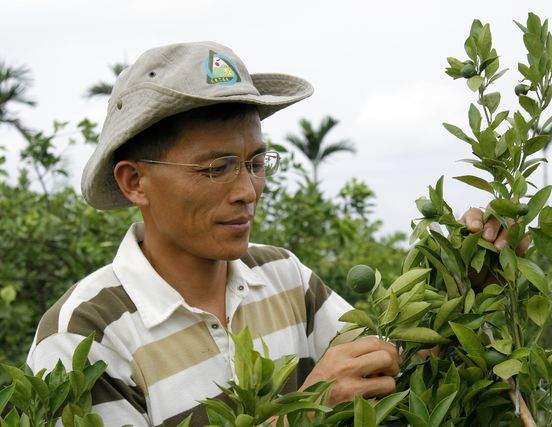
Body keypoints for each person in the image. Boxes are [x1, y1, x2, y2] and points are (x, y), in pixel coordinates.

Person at [27, 41, 510, 426]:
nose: (248, 191)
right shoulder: (84, 335)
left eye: (256, 163)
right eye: (217, 168)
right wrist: (307, 410)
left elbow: (394, 368)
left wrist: (468, 281)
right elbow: (329, 394)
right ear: (135, 182)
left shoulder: (283, 275)